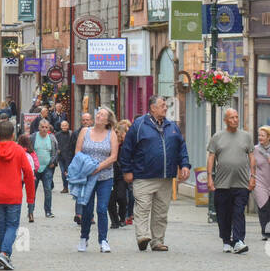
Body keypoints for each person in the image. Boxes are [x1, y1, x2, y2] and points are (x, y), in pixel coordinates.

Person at [119, 95, 191, 252]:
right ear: (153, 108)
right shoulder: (139, 125)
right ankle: (142, 236)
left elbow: (181, 148)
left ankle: (157, 241)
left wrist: (184, 165)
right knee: (143, 208)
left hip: (165, 177)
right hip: (143, 176)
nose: (165, 108)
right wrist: (127, 170)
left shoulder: (172, 126)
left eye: (165, 105)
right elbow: (127, 149)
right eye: (162, 105)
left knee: (161, 212)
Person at [0, 119, 36, 270]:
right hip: (14, 195)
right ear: (13, 134)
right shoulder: (18, 151)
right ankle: (4, 253)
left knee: (1, 226)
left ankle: (4, 257)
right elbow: (28, 173)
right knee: (12, 226)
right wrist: (30, 197)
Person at [207, 107, 254, 253]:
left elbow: (252, 157)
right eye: (232, 117)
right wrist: (209, 177)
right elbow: (211, 157)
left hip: (241, 182)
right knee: (224, 213)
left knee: (239, 212)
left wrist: (253, 176)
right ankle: (226, 240)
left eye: (236, 117)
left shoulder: (246, 136)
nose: (235, 120)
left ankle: (239, 240)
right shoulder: (217, 137)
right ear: (225, 120)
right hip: (222, 183)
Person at [74, 108, 120, 252]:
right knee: (86, 209)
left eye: (102, 115)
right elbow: (77, 151)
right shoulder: (85, 131)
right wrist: (87, 166)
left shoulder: (111, 134)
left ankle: (103, 240)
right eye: (98, 114)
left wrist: (98, 167)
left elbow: (113, 156)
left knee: (101, 208)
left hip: (105, 177)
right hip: (87, 176)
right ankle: (84, 238)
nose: (99, 116)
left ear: (108, 120)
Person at [109, 118, 132, 228]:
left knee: (122, 197)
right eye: (125, 133)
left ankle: (122, 217)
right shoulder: (111, 143)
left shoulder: (126, 145)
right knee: (110, 199)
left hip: (121, 174)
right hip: (109, 173)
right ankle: (114, 221)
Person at [33, 118, 58, 219]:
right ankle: (31, 210)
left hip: (47, 168)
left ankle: (48, 211)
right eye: (42, 127)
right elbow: (29, 150)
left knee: (47, 190)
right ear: (39, 127)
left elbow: (56, 151)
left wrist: (53, 162)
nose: (44, 129)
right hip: (35, 169)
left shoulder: (52, 138)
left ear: (49, 128)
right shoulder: (33, 137)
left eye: (46, 127)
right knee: (32, 190)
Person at [54, 118, 76, 195]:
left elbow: (74, 144)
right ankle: (65, 187)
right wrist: (57, 150)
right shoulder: (57, 135)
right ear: (60, 126)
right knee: (63, 172)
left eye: (65, 125)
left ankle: (72, 187)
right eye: (62, 125)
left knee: (70, 172)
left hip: (69, 157)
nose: (64, 127)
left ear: (68, 126)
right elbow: (55, 145)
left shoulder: (71, 134)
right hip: (61, 157)